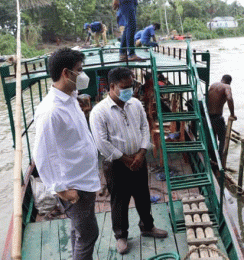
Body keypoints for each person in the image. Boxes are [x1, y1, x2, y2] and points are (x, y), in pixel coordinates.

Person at [89, 67, 168, 255]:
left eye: (131, 86)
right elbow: (102, 142)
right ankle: (121, 236)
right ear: (112, 86)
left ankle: (147, 226)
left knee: (142, 195)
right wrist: (124, 159)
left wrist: (141, 153)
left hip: (139, 159)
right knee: (119, 200)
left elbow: (144, 128)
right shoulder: (99, 112)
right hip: (116, 164)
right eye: (124, 87)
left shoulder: (135, 104)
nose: (129, 91)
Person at [33, 47, 101, 260]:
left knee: (79, 231)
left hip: (84, 178)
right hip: (75, 186)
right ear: (66, 73)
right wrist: (61, 190)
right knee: (89, 234)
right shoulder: (51, 112)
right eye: (79, 70)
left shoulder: (70, 96)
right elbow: (43, 155)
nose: (83, 75)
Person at [207, 74, 236, 158]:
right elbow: (229, 98)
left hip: (209, 116)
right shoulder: (226, 86)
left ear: (221, 79)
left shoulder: (213, 85)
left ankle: (212, 157)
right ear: (229, 82)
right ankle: (219, 157)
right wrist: (232, 114)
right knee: (223, 139)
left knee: (212, 138)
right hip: (217, 117)